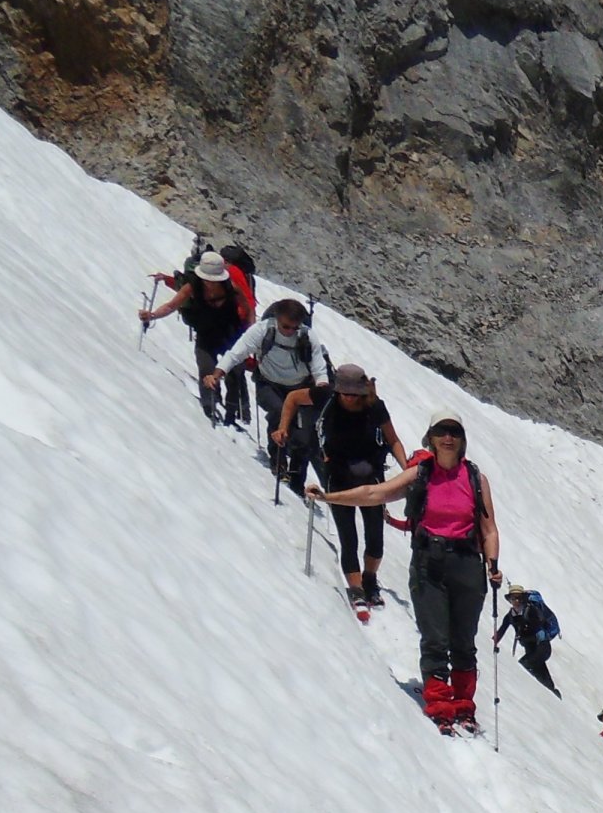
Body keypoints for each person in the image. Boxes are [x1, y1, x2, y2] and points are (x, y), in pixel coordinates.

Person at [308, 417, 499, 733]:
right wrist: (329, 497)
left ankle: (464, 705)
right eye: (441, 432)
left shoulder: (476, 478)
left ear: (462, 439)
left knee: (464, 640)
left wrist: (493, 564)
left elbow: (489, 529)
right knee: (435, 636)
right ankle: (440, 702)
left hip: (467, 564)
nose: (448, 438)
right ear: (431, 438)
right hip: (429, 562)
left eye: (454, 432)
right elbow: (374, 493)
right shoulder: (420, 473)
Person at [277, 363, 404, 614]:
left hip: (371, 477)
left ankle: (370, 579)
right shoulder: (326, 397)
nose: (349, 398)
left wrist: (409, 469)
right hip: (338, 474)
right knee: (348, 536)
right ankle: (356, 589)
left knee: (375, 536)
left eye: (354, 394)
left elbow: (393, 440)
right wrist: (283, 427)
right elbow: (293, 398)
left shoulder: (375, 406)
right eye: (345, 393)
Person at [209, 297, 327, 486]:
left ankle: (296, 477)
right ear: (277, 318)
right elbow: (237, 353)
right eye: (286, 326)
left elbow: (319, 368)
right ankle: (278, 462)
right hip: (268, 384)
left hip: (300, 387)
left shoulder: (307, 336)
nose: (290, 331)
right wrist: (217, 373)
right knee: (279, 413)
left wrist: (321, 389)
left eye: (294, 327)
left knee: (303, 434)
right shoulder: (262, 330)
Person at [141, 250, 252, 425]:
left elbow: (248, 309)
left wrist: (249, 333)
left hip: (230, 333)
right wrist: (152, 315)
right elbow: (171, 306)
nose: (210, 283)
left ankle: (232, 412)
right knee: (206, 368)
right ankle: (209, 406)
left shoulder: (231, 288)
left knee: (235, 372)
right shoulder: (192, 287)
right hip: (206, 334)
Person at [494, 586, 560, 693]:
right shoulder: (510, 616)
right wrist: (494, 641)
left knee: (525, 664)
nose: (516, 601)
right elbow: (501, 631)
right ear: (509, 600)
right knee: (541, 676)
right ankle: (553, 693)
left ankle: (549, 693)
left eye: (519, 598)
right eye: (513, 598)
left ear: (523, 598)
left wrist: (526, 637)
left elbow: (538, 629)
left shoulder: (531, 611)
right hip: (533, 649)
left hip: (542, 646)